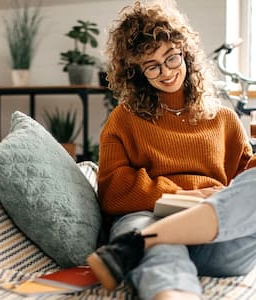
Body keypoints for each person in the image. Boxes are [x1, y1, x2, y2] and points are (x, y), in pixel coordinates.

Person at [86, 1, 256, 300]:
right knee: (155, 241)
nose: (166, 72)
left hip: (215, 240)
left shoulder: (224, 119)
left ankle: (139, 246)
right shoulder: (124, 119)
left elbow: (245, 185)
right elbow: (114, 191)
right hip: (149, 219)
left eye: (171, 58)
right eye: (152, 66)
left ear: (185, 53)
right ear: (136, 72)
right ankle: (173, 291)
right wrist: (187, 193)